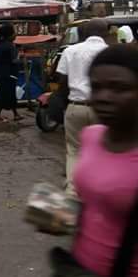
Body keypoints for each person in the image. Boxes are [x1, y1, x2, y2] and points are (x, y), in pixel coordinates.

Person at [67, 44, 138, 276]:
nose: (104, 97)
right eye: (96, 87)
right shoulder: (91, 135)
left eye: (120, 88)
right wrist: (59, 214)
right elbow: (95, 204)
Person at [57, 18, 108, 196]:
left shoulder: (70, 51)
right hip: (103, 109)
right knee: (103, 150)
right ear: (107, 33)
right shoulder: (111, 52)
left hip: (75, 106)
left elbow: (62, 82)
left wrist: (66, 106)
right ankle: (99, 191)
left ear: (84, 34)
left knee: (74, 151)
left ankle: (72, 194)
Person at [0, 23, 23, 122]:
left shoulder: (0, 44)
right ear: (9, 35)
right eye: (14, 33)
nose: (15, 35)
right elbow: (13, 60)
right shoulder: (10, 46)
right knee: (5, 94)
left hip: (3, 72)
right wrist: (20, 57)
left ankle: (16, 114)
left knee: (8, 93)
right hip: (9, 73)